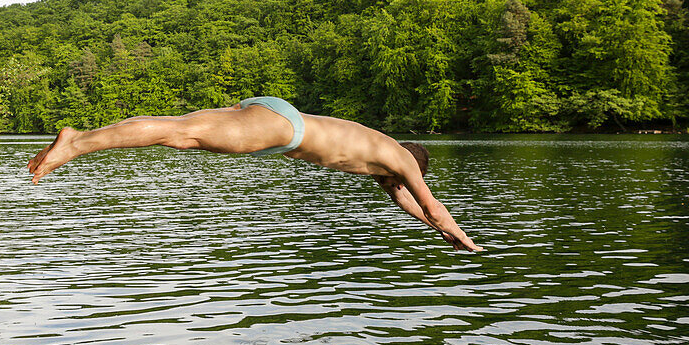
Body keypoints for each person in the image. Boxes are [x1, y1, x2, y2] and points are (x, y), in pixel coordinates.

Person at [27, 96, 482, 251]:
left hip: (277, 114)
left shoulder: (381, 155)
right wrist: (458, 233)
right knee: (181, 134)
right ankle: (76, 142)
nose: (392, 187)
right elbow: (427, 201)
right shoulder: (400, 160)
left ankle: (78, 141)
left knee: (182, 132)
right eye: (400, 181)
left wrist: (436, 232)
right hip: (284, 127)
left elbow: (407, 203)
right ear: (410, 166)